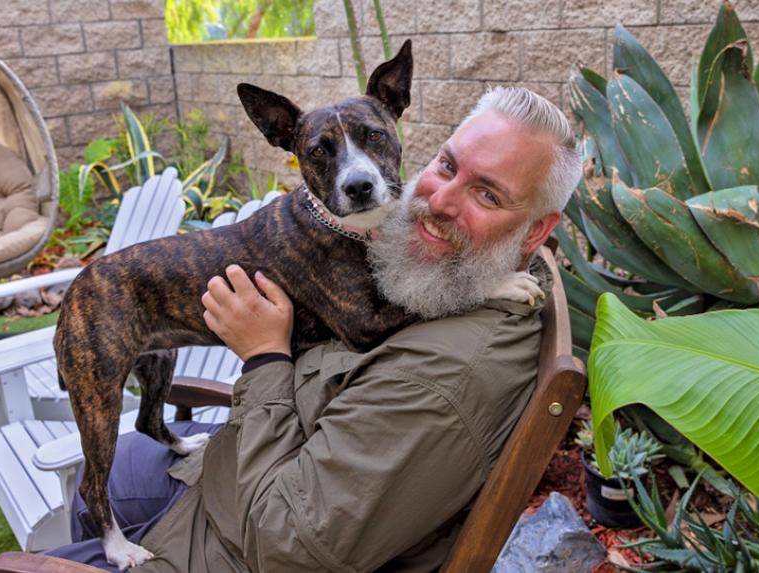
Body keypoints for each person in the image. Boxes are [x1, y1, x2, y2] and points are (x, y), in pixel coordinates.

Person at [45, 86, 583, 572]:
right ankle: (124, 490)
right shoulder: (423, 268)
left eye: (488, 194)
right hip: (216, 433)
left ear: (536, 230)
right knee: (106, 456)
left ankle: (107, 541)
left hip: (219, 533)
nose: (438, 200)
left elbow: (290, 542)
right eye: (446, 165)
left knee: (84, 514)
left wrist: (262, 355)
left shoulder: (446, 377)